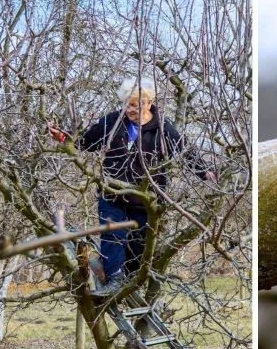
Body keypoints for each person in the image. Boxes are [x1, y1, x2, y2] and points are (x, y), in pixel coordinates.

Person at [48, 78, 213, 295]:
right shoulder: (112, 122)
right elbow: (85, 142)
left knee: (138, 248)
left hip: (146, 198)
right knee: (113, 236)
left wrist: (207, 173)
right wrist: (62, 136)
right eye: (127, 104)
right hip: (113, 193)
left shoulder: (163, 128)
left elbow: (186, 152)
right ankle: (113, 281)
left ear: (149, 102)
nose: (130, 109)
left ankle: (124, 279)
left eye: (135, 104)